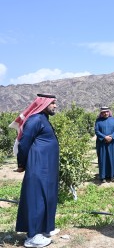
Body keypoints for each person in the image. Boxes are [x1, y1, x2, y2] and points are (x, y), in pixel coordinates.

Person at [9, 93, 60, 248]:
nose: (55, 106)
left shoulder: (44, 119)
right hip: (38, 167)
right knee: (36, 199)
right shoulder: (36, 119)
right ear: (44, 104)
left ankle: (45, 229)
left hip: (47, 168)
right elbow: (24, 144)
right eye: (53, 103)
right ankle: (32, 237)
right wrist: (22, 164)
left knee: (47, 197)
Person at [94, 106, 114, 183]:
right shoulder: (98, 121)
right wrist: (104, 137)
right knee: (102, 159)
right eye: (104, 112)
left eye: (107, 112)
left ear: (109, 112)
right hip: (102, 143)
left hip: (112, 143)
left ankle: (113, 176)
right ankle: (103, 176)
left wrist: (111, 137)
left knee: (112, 158)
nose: (106, 113)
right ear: (101, 113)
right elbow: (97, 131)